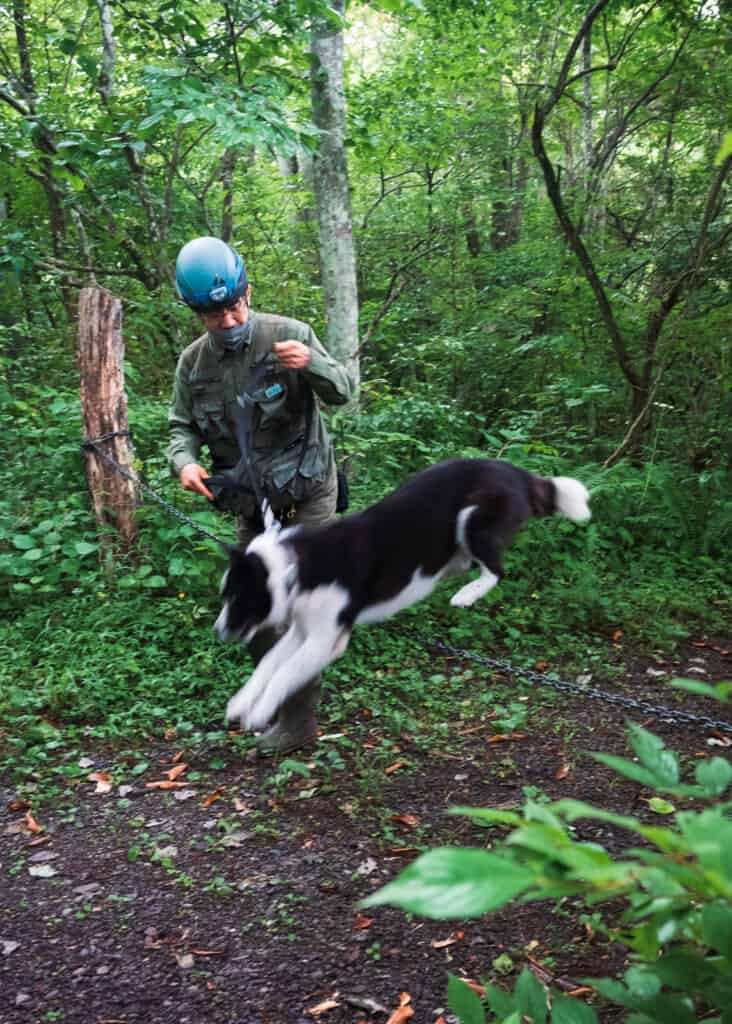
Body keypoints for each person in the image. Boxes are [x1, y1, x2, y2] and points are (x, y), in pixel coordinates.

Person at [168, 236, 355, 753]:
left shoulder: (289, 334)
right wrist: (185, 463)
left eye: (235, 306)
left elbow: (343, 391)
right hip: (252, 507)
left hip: (310, 493)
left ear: (247, 292)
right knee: (255, 611)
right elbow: (180, 427)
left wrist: (311, 364)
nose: (228, 321)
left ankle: (299, 722)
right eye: (213, 314)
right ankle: (281, 703)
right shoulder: (194, 364)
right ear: (195, 312)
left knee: (306, 611)